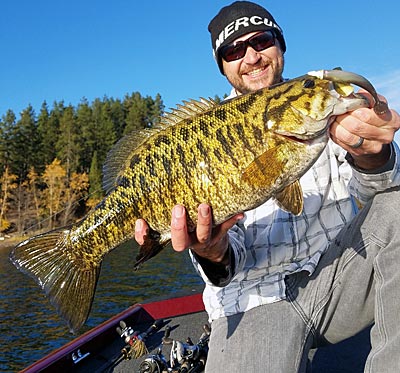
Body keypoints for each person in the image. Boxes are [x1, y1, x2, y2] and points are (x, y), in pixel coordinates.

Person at [135, 1, 400, 371]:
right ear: (223, 65)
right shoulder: (210, 132)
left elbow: (378, 201)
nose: (252, 56)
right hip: (251, 303)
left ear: (281, 45)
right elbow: (228, 261)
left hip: (338, 279)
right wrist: (212, 251)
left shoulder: (326, 110)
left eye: (261, 40)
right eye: (234, 50)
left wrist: (374, 155)